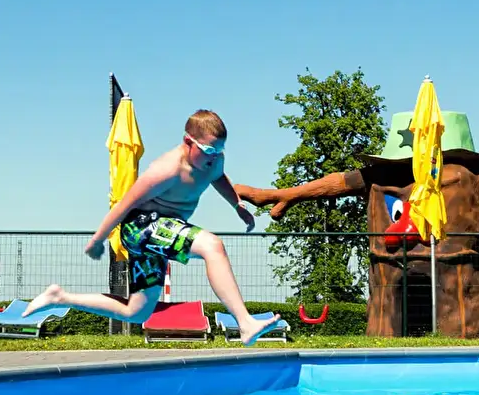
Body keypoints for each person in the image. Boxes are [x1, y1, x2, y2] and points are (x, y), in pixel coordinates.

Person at [26, 109, 285, 344]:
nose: (214, 157)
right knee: (212, 246)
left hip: (163, 233)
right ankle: (245, 322)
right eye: (208, 151)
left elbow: (217, 177)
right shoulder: (165, 169)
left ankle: (59, 297)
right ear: (188, 142)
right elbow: (123, 206)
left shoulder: (215, 161)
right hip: (139, 227)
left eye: (219, 150)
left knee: (136, 312)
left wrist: (236, 205)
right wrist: (97, 240)